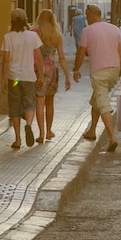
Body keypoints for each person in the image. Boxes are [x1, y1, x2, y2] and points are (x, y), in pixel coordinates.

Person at [72, 4, 121, 152]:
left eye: (86, 15)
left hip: (99, 73)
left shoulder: (87, 31)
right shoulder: (114, 29)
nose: (86, 18)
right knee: (96, 99)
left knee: (103, 104)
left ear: (91, 14)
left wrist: (76, 69)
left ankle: (112, 138)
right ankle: (92, 131)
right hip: (114, 72)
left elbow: (80, 52)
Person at [1, 8, 44, 149]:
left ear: (12, 21)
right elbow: (39, 57)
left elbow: (6, 60)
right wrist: (41, 76)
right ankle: (29, 125)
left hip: (15, 78)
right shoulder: (32, 36)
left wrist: (3, 79)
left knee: (15, 105)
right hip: (28, 77)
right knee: (29, 103)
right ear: (26, 20)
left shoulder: (8, 37)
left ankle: (18, 140)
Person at [33, 9, 71, 143]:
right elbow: (61, 57)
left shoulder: (35, 33)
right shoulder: (57, 35)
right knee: (50, 102)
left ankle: (41, 133)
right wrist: (67, 76)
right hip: (53, 71)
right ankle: (49, 131)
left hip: (38, 71)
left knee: (39, 101)